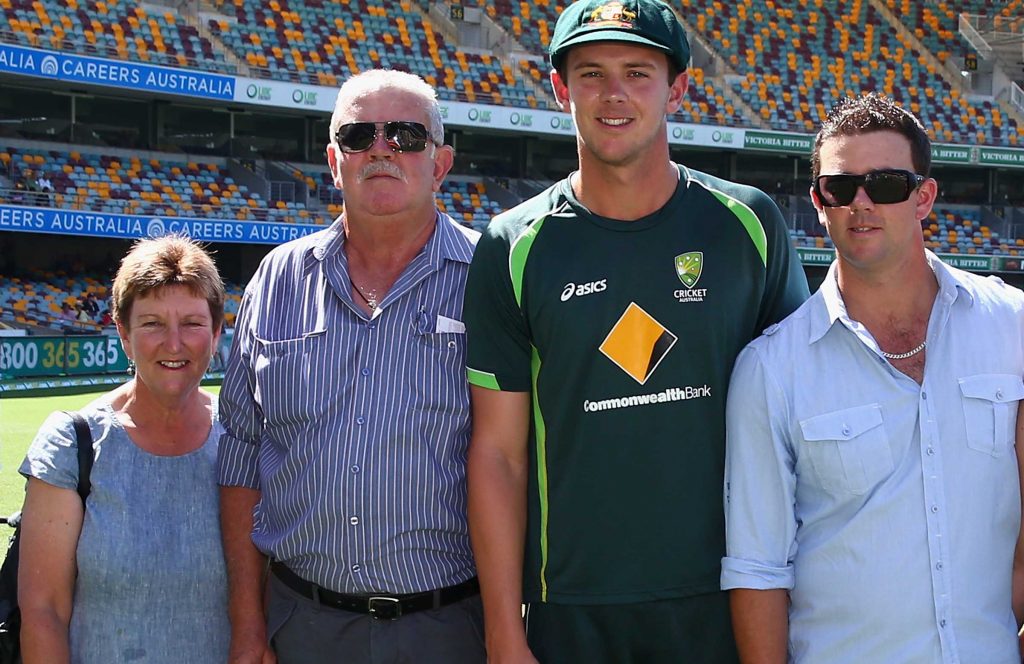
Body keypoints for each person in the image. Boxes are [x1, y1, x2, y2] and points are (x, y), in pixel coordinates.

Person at [461, 1, 810, 661]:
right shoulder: (512, 245)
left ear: (677, 86)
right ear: (561, 89)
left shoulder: (748, 225)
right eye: (590, 73)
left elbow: (800, 423)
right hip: (571, 606)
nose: (613, 94)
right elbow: (499, 456)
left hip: (728, 597)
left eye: (638, 72)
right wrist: (505, 631)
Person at [722, 93, 1024, 663]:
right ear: (818, 202)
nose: (861, 203)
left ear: (924, 197)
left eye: (885, 184)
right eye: (841, 188)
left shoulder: (1013, 326)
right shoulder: (771, 368)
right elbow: (757, 569)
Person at [218, 69, 483, 664]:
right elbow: (240, 458)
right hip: (300, 623)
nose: (382, 148)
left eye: (406, 136)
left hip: (452, 626)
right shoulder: (277, 279)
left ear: (440, 164)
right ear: (335, 160)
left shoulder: (491, 278)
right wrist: (247, 622)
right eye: (361, 135)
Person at [18, 234, 229, 663]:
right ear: (123, 333)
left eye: (191, 323)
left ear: (218, 332)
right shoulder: (72, 445)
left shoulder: (244, 436)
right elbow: (43, 612)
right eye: (152, 323)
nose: (174, 344)